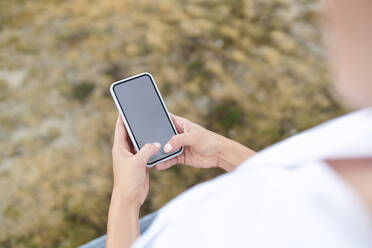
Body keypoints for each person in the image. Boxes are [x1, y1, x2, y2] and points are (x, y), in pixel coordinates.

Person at [81, 0, 372, 247]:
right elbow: (295, 190)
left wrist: (125, 200)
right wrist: (219, 150)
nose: (324, 8)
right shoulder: (360, 134)